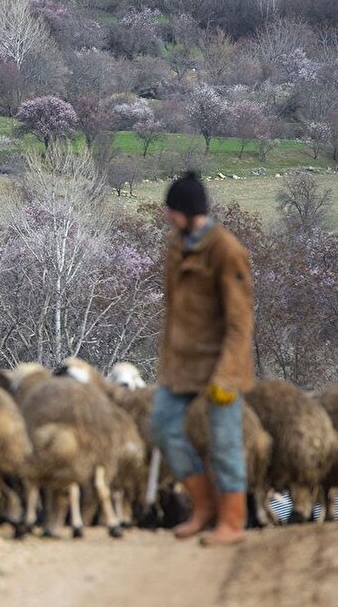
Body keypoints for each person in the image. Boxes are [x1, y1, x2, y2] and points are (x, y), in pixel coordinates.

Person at [150, 171, 254, 546]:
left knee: (225, 441)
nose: (167, 216)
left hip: (220, 364)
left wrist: (227, 376)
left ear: (191, 212)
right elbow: (173, 310)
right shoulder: (177, 246)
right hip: (182, 363)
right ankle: (203, 505)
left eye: (173, 210)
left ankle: (232, 520)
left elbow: (240, 320)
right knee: (162, 424)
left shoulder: (226, 250)